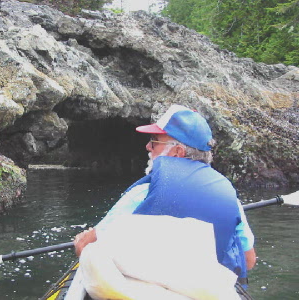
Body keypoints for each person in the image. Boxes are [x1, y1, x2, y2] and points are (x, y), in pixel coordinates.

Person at [74, 104, 256, 287]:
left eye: (154, 140)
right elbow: (248, 261)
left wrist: (81, 241)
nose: (147, 147)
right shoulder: (231, 201)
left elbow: (89, 248)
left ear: (178, 152)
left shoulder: (143, 193)